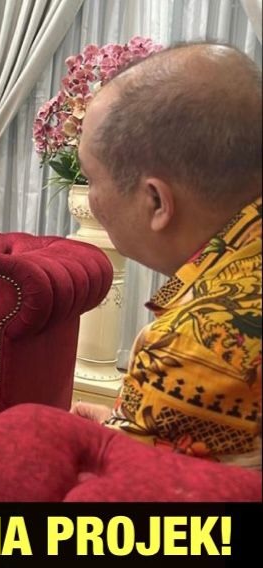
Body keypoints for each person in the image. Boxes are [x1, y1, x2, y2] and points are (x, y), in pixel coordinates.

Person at [71, 43, 261, 469]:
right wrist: (127, 429)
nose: (91, 196)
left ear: (156, 201)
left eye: (90, 177)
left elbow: (128, 493)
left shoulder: (195, 343)